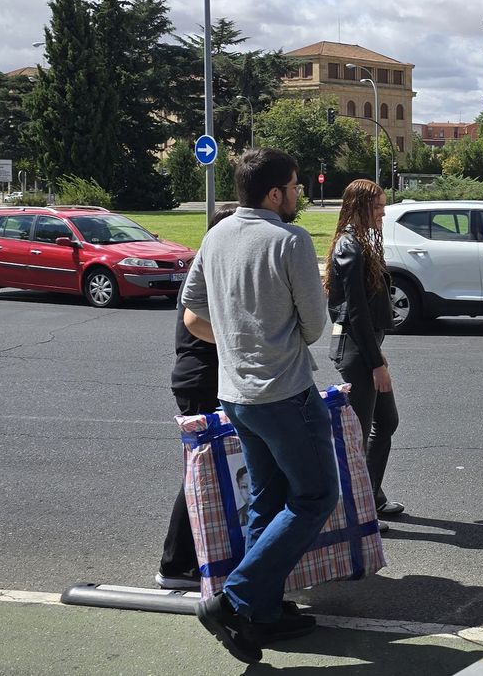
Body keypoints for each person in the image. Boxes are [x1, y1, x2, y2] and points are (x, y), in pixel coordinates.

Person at [180, 149, 336, 664]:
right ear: (274, 193)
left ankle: (260, 613)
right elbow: (315, 327)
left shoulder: (216, 235)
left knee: (267, 500)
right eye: (294, 186)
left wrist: (236, 341)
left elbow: (192, 309)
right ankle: (236, 600)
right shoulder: (291, 240)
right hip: (285, 393)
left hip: (235, 393)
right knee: (315, 497)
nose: (298, 194)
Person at [155, 204, 236, 592]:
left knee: (213, 474)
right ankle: (174, 564)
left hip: (207, 378)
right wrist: (242, 342)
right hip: (202, 381)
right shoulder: (204, 271)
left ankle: (198, 558)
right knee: (203, 474)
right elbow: (196, 323)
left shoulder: (213, 267)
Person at [324, 179, 402, 528]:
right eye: (378, 207)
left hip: (366, 349)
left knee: (386, 422)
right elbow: (355, 312)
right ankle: (359, 510)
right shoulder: (350, 248)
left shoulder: (358, 243)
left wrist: (378, 357)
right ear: (359, 207)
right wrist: (375, 363)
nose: (383, 213)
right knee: (362, 432)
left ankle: (372, 496)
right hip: (357, 352)